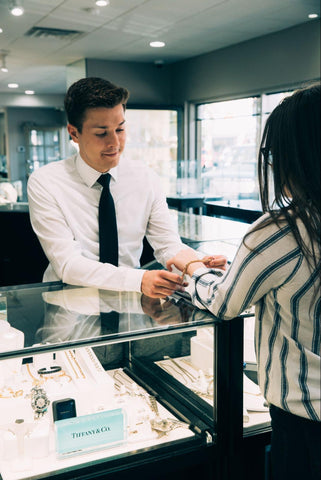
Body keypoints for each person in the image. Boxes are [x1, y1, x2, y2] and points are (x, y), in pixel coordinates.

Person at [167, 83, 320, 480]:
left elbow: (225, 303)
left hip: (305, 414)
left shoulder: (279, 231)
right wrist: (241, 267)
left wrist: (193, 268)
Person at [28, 77, 225, 299]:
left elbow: (168, 244)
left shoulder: (146, 178)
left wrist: (198, 266)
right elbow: (68, 264)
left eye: (120, 129)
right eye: (101, 133)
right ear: (74, 133)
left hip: (129, 304)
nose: (114, 142)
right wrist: (139, 280)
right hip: (69, 305)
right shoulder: (46, 182)